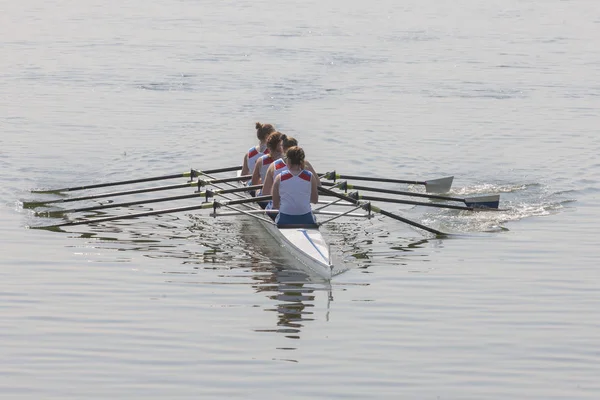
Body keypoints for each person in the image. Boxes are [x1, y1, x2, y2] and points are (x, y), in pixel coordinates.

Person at [272, 146, 318, 226]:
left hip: (284, 219)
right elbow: (315, 200)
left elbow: (275, 204)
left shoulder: (279, 177)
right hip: (306, 219)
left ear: (288, 160)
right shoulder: (310, 177)